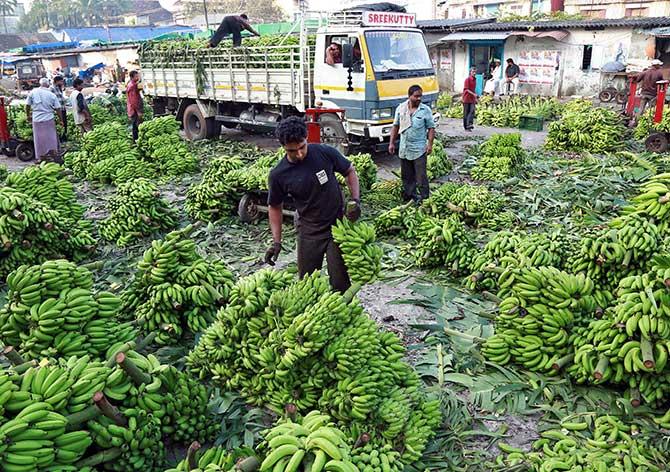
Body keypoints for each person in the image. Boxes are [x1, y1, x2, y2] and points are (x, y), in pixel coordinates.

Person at [264, 116, 361, 293]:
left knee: (340, 281)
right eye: (292, 151)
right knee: (307, 283)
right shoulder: (279, 174)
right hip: (309, 230)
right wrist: (277, 242)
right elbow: (275, 207)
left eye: (302, 147)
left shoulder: (324, 153)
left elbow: (350, 171)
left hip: (337, 227)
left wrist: (355, 199)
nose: (299, 154)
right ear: (283, 147)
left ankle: (345, 314)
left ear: (307, 137)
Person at [388, 85, 436, 203]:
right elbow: (395, 126)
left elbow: (431, 128)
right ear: (409, 96)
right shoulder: (401, 108)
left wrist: (429, 145)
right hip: (404, 148)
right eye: (416, 96)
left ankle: (425, 199)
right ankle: (410, 197)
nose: (419, 98)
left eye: (420, 96)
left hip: (419, 149)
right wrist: (391, 143)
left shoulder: (425, 110)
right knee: (407, 176)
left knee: (421, 177)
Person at [26, 78, 62, 162]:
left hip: (36, 118)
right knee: (50, 138)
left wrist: (28, 115)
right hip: (48, 118)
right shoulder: (51, 95)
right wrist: (61, 120)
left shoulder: (33, 92)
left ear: (40, 84)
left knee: (39, 139)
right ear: (48, 84)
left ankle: (40, 156)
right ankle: (52, 155)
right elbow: (58, 108)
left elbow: (27, 105)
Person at [126, 70, 143, 141]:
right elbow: (134, 101)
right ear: (132, 77)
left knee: (136, 125)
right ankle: (135, 140)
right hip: (134, 110)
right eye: (136, 76)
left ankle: (136, 139)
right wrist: (138, 111)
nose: (138, 77)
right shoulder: (132, 86)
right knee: (135, 126)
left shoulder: (133, 84)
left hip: (133, 109)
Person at [50, 75, 67, 141]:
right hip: (58, 110)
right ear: (56, 81)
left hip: (63, 108)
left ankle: (64, 136)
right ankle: (60, 138)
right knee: (61, 123)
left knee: (64, 123)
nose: (62, 83)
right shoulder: (51, 88)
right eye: (61, 81)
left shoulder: (58, 88)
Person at [462, 67, 478, 131]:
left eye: (475, 72)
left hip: (472, 99)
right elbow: (467, 89)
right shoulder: (467, 79)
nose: (474, 73)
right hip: (466, 98)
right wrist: (474, 94)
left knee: (472, 111)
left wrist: (475, 97)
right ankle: (466, 126)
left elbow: (473, 89)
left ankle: (470, 124)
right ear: (470, 72)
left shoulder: (475, 80)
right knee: (466, 113)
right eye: (473, 72)